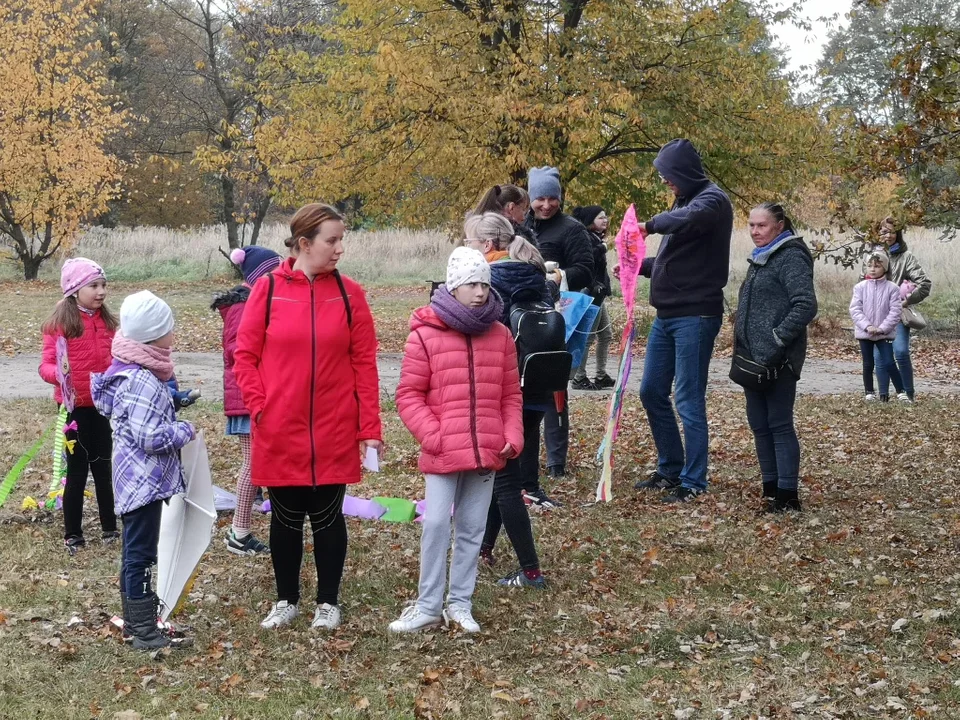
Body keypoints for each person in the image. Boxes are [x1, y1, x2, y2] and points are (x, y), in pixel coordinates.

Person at [233, 203, 382, 632]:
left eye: (341, 240)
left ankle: (328, 603)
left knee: (328, 516)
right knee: (284, 518)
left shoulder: (351, 295)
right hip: (279, 427)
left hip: (334, 429)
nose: (338, 249)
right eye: (331, 241)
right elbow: (245, 356)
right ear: (304, 244)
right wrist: (261, 406)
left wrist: (369, 427)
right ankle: (286, 600)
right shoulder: (268, 290)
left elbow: (364, 365)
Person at [390, 247, 524, 633]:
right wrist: (434, 435)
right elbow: (409, 395)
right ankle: (428, 604)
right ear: (453, 286)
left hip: (487, 449)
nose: (480, 291)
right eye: (470, 284)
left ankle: (460, 604)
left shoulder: (500, 335)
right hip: (443, 450)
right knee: (435, 524)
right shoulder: (426, 334)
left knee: (471, 529)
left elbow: (510, 395)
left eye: (484, 282)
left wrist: (511, 435)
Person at [91, 291, 196, 650]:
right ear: (153, 336)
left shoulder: (133, 370)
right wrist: (184, 430)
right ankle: (142, 629)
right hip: (142, 482)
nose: (173, 335)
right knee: (140, 555)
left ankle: (139, 622)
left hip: (136, 478)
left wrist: (173, 401)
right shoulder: (142, 380)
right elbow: (149, 436)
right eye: (169, 329)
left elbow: (140, 414)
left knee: (136, 552)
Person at [631, 139, 732, 503]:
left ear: (685, 172)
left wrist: (650, 224)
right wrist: (638, 267)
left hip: (696, 315)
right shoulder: (684, 201)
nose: (665, 182)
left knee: (688, 398)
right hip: (668, 315)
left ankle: (693, 482)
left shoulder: (711, 200)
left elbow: (685, 221)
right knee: (651, 391)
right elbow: (677, 261)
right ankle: (670, 469)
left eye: (668, 175)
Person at [462, 213, 554, 587]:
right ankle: (484, 546)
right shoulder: (536, 274)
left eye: (468, 243)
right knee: (507, 472)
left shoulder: (490, 281)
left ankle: (531, 571)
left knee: (503, 482)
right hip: (538, 386)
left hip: (505, 389)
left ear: (485, 247)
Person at [733, 203, 817, 513]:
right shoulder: (762, 256)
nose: (755, 231)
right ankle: (770, 490)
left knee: (779, 423)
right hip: (753, 359)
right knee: (758, 423)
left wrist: (776, 339)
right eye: (751, 225)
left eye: (762, 225)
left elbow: (805, 305)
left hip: (780, 359)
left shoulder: (790, 255)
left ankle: (787, 496)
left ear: (779, 225)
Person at [39, 258, 118, 554]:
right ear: (74, 290)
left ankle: (110, 526)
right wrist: (58, 375)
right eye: (93, 286)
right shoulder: (60, 324)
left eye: (103, 285)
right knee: (76, 472)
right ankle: (73, 533)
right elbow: (45, 364)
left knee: (103, 469)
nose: (101, 292)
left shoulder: (107, 322)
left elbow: (116, 357)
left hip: (102, 408)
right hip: (75, 411)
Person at [524, 167, 594, 478]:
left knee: (554, 388)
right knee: (522, 387)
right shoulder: (521, 225)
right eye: (540, 198)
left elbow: (586, 269)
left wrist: (559, 274)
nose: (547, 205)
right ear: (529, 198)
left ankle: (556, 461)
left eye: (553, 198)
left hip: (557, 317)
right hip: (524, 317)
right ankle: (523, 453)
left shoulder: (572, 229)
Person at [212, 246, 281, 556]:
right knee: (252, 465)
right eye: (275, 271)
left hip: (255, 396)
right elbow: (237, 353)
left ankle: (244, 529)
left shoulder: (256, 301)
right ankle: (238, 532)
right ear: (259, 275)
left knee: (260, 463)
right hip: (245, 399)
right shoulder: (243, 306)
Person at [874, 218, 931, 401]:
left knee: (900, 351)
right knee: (880, 355)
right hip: (877, 314)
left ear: (898, 234)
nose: (888, 236)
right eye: (884, 232)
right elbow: (863, 281)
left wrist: (905, 301)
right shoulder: (873, 257)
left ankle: (909, 395)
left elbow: (924, 284)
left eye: (891, 231)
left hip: (898, 313)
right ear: (878, 234)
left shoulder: (906, 257)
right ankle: (883, 397)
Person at [851, 250, 907, 402]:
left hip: (884, 334)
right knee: (868, 363)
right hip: (865, 333)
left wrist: (882, 328)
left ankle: (901, 392)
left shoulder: (892, 288)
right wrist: (867, 326)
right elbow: (855, 310)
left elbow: (895, 311)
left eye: (877, 266)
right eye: (869, 266)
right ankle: (869, 392)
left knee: (889, 362)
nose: (872, 269)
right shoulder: (860, 287)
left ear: (885, 268)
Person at [570, 205, 614, 390]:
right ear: (590, 221)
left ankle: (601, 375)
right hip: (590, 293)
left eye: (605, 217)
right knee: (588, 337)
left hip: (599, 292)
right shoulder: (586, 238)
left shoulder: (596, 237)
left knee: (606, 335)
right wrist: (603, 247)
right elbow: (587, 262)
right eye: (600, 218)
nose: (605, 220)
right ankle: (579, 377)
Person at [472, 184, 538, 247]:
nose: (524, 218)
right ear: (511, 208)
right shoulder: (516, 241)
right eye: (523, 210)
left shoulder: (474, 230)